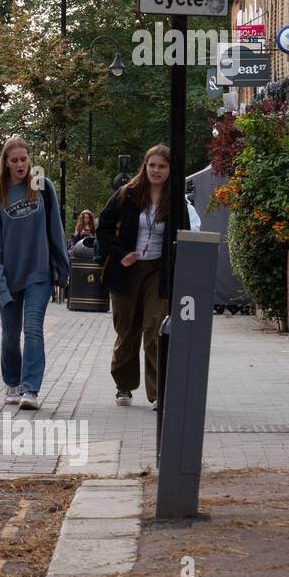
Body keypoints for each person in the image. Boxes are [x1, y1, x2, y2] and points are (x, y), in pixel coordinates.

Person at [0, 137, 70, 411]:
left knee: (33, 330)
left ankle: (30, 389)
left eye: (24, 159)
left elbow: (56, 229)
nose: (20, 164)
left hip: (39, 275)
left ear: (30, 160)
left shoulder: (41, 187)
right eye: (14, 160)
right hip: (8, 278)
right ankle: (12, 382)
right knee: (10, 334)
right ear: (6, 163)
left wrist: (63, 271)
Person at [96, 143, 178, 407]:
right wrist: (121, 253)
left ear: (170, 170)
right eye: (152, 165)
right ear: (145, 166)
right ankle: (124, 385)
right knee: (127, 329)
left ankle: (158, 392)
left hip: (157, 270)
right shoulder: (127, 194)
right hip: (127, 270)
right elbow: (104, 228)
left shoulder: (175, 200)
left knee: (154, 329)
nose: (156, 171)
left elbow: (183, 234)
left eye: (162, 166)